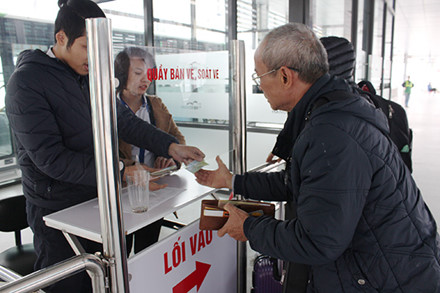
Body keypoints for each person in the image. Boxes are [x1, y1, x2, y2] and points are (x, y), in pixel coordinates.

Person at [195, 23, 440, 292]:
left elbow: (317, 242)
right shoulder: (330, 109)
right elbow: (297, 183)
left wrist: (250, 228)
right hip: (381, 265)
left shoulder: (332, 133)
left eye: (259, 77)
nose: (260, 87)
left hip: (387, 278)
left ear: (285, 76)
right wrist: (234, 180)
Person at [5, 1, 204, 292]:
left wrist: (171, 147)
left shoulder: (89, 76)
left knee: (112, 281)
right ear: (61, 38)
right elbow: (51, 159)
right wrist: (122, 170)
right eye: (87, 47)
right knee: (72, 285)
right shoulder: (26, 83)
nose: (95, 58)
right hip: (59, 213)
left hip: (103, 202)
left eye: (100, 49)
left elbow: (125, 122)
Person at [114, 46, 186, 254]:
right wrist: (130, 168)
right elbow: (102, 153)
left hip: (154, 190)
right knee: (122, 252)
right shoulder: (108, 108)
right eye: (138, 74)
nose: (145, 80)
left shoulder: (155, 105)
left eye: (149, 75)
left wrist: (170, 157)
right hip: (122, 191)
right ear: (121, 75)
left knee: (148, 250)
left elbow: (177, 139)